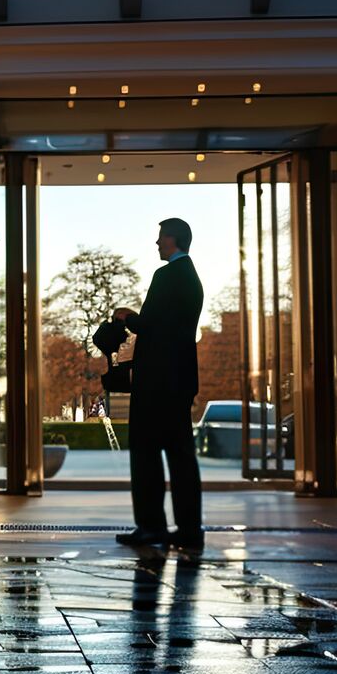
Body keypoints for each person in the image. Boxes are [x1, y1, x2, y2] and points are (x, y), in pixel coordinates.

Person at [112, 217, 205, 552]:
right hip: (179, 381)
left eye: (161, 238)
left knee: (147, 454)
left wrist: (127, 316)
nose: (157, 243)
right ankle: (190, 529)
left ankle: (151, 527)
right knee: (181, 458)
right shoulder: (192, 279)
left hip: (156, 383)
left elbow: (151, 325)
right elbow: (171, 326)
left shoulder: (166, 276)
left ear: (174, 240)